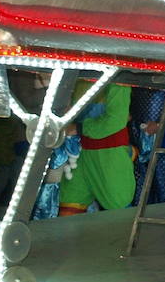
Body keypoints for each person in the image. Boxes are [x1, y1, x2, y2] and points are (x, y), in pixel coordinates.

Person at [58, 81, 135, 215]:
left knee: (119, 205)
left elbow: (115, 120)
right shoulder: (80, 72)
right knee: (69, 203)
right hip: (81, 151)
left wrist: (79, 128)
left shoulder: (118, 78)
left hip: (109, 153)